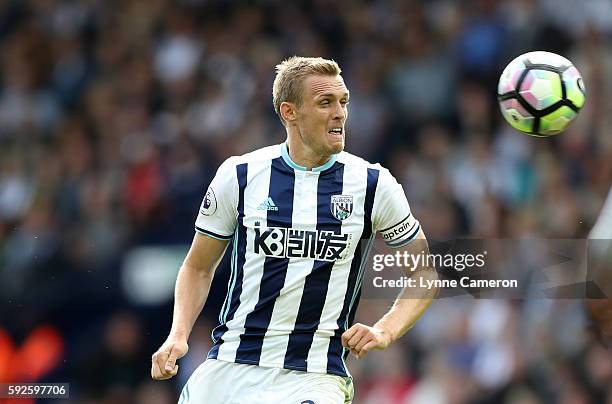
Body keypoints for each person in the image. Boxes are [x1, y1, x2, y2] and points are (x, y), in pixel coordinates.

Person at [151, 56, 438, 403]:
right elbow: (198, 266)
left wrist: (385, 330)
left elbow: (424, 272)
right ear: (290, 112)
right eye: (325, 103)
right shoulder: (240, 176)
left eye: (343, 102)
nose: (340, 113)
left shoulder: (372, 184)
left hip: (315, 376)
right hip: (229, 366)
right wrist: (178, 334)